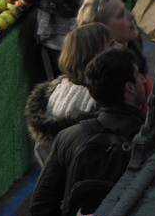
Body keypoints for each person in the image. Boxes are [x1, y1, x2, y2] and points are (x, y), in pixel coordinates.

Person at [30, 48, 147, 216]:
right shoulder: (147, 141)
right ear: (130, 87)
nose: (143, 80)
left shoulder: (67, 137)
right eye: (138, 75)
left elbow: (40, 206)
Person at [25, 22, 115, 167]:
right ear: (95, 55)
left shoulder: (59, 88)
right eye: (111, 44)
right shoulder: (96, 98)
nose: (118, 47)